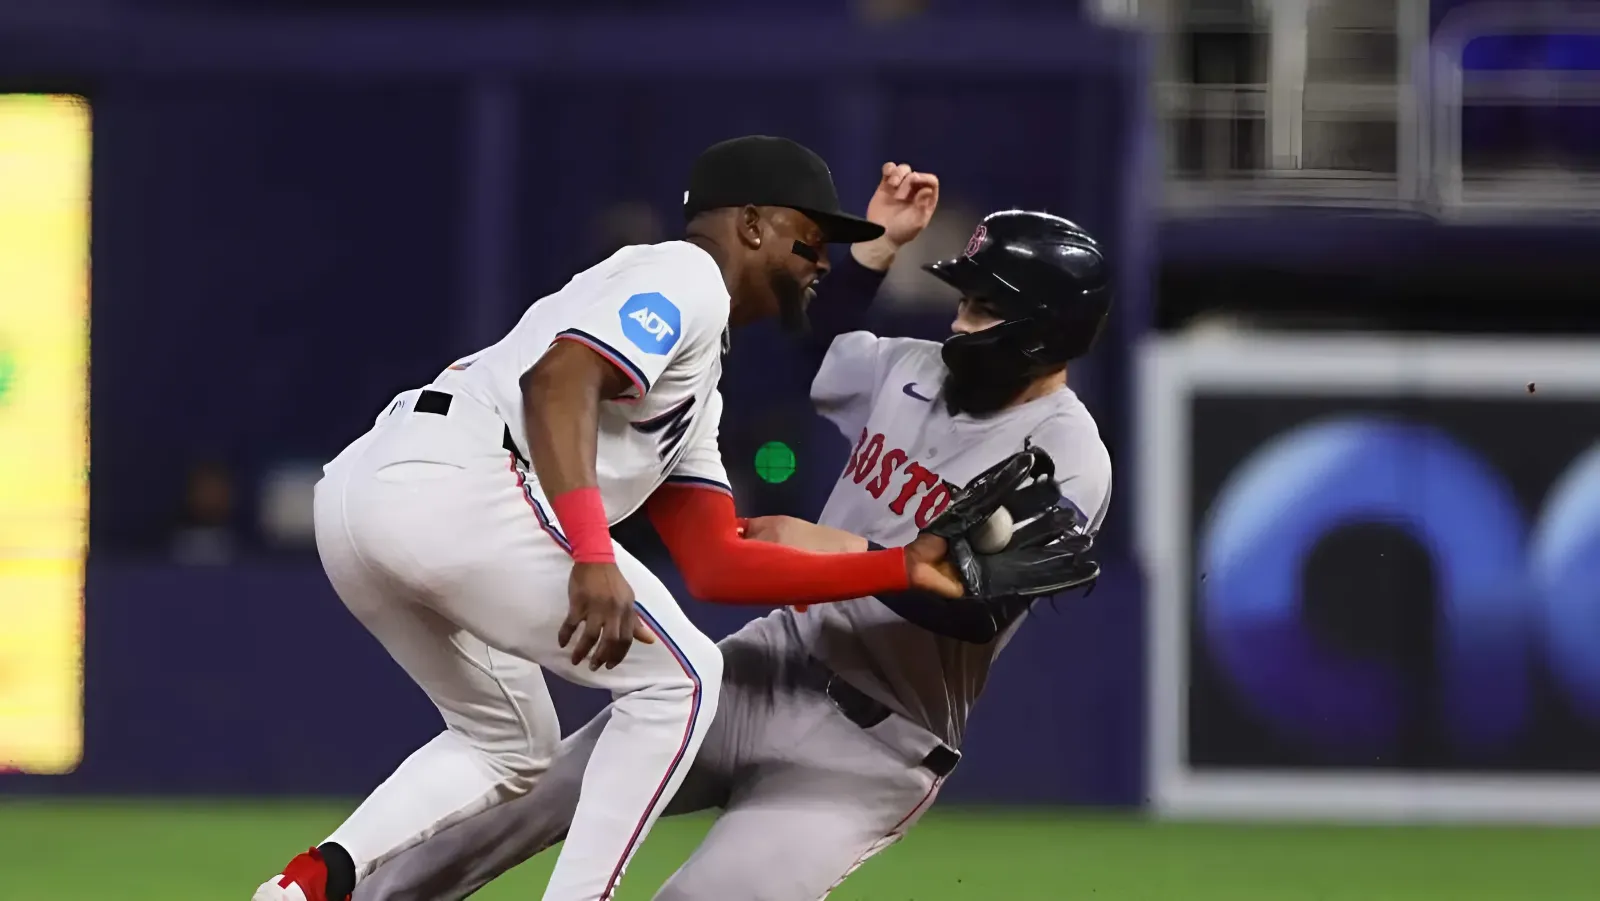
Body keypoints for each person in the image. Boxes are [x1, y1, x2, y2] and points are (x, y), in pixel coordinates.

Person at [252, 138, 975, 901]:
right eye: (812, 237)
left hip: (370, 497)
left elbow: (717, 561)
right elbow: (559, 378)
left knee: (510, 746)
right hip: (455, 478)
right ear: (753, 225)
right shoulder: (683, 274)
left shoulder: (696, 383)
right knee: (687, 680)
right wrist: (594, 554)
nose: (822, 259)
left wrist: (898, 566)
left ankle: (309, 884)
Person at [349, 202, 1115, 901]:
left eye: (983, 308)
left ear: (1039, 328)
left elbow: (979, 606)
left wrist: (841, 548)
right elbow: (806, 350)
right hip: (771, 662)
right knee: (541, 792)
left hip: (875, 747)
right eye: (964, 300)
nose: (958, 320)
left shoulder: (1069, 452)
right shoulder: (914, 368)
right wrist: (872, 255)